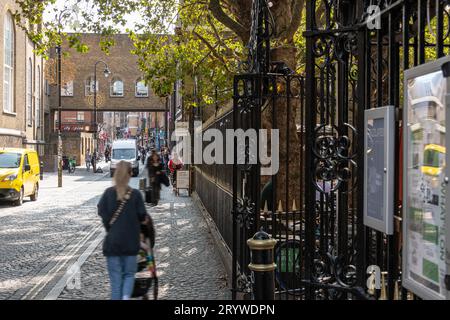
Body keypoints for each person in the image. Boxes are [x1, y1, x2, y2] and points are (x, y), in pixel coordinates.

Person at [97, 161, 149, 300]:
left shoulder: (108, 193)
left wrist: (111, 228)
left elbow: (102, 213)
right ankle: (126, 297)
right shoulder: (136, 195)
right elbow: (143, 218)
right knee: (128, 275)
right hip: (131, 245)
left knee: (115, 282)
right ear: (130, 174)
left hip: (113, 244)